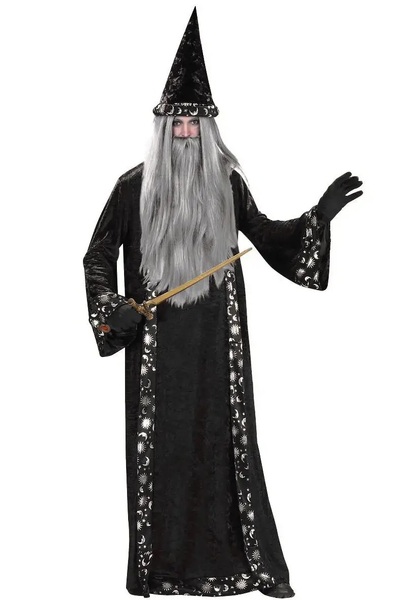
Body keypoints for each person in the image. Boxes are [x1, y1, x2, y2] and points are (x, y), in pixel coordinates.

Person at [83, 8, 363, 599]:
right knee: (163, 450)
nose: (186, 133)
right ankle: (158, 570)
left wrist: (318, 217)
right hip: (157, 349)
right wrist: (112, 308)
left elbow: (268, 237)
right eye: (178, 123)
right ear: (163, 129)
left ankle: (251, 564)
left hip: (217, 345)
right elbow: (97, 255)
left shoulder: (227, 183)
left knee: (224, 446)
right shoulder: (132, 187)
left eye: (195, 123)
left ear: (208, 129)